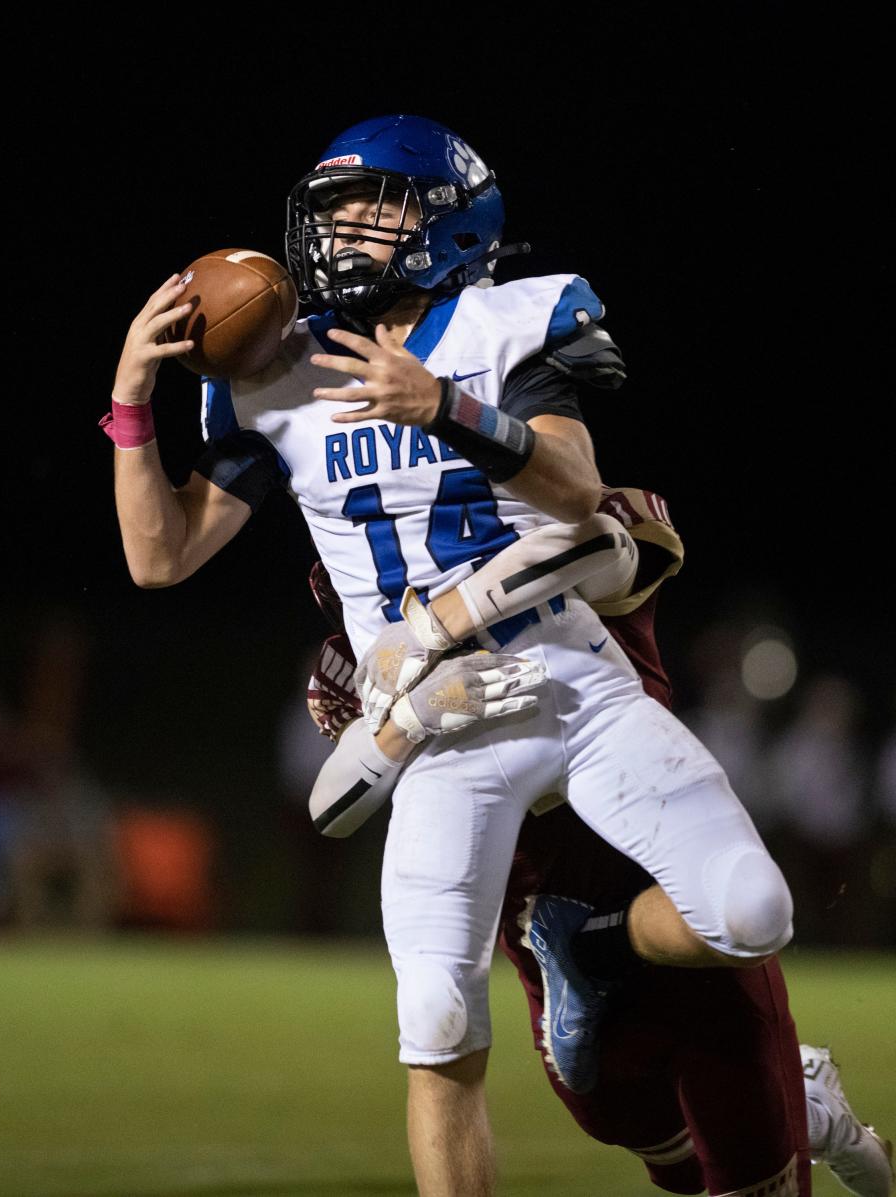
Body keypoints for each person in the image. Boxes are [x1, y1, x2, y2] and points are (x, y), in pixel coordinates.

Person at [107, 114, 794, 1195]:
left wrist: (444, 408)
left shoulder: (504, 325)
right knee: (435, 1019)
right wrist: (132, 400)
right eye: (329, 209)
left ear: (448, 217)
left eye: (368, 205)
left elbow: (575, 493)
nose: (339, 231)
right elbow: (160, 556)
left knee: (754, 915)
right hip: (436, 720)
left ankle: (598, 944)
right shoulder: (273, 373)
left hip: (567, 674)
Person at [306, 492, 893, 1197]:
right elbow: (335, 796)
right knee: (654, 1149)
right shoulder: (362, 662)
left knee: (742, 968)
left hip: (648, 854)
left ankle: (610, 948)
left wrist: (468, 603)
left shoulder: (547, 539)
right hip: (541, 930)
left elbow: (632, 537)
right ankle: (816, 1109)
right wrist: (412, 712)